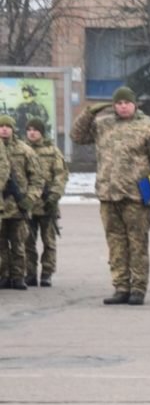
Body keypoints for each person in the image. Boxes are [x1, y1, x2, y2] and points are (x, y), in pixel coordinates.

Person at [69, 86, 150, 305]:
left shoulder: (148, 127)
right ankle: (121, 286)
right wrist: (89, 112)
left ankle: (138, 288)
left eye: (127, 103)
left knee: (137, 243)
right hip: (109, 193)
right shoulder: (103, 125)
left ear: (135, 104)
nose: (123, 106)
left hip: (136, 194)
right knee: (115, 244)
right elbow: (76, 135)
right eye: (119, 103)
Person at [1, 115, 45, 289]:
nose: (4, 129)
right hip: (1, 206)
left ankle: (19, 276)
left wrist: (30, 199)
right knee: (1, 245)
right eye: (1, 126)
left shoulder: (24, 150)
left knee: (19, 243)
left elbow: (37, 178)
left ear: (13, 129)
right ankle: (4, 275)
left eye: (7, 126)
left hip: (18, 206)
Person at [23, 118, 68, 287]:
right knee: (28, 241)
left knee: (49, 241)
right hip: (28, 204)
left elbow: (61, 175)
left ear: (42, 132)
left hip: (47, 203)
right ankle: (31, 273)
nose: (32, 132)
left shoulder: (52, 151)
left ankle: (47, 273)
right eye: (29, 129)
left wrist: (54, 195)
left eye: (35, 130)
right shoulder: (22, 150)